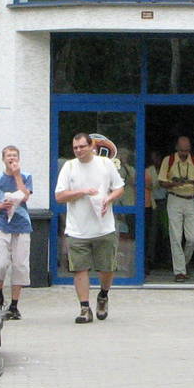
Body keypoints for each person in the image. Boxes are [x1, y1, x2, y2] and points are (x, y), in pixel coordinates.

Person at [54, 131, 123, 323]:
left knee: (106, 268)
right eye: (75, 148)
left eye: (82, 147)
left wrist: (108, 199)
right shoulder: (69, 167)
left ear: (91, 145)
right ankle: (84, 308)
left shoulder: (105, 164)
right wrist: (82, 192)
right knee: (80, 270)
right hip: (77, 229)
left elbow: (119, 187)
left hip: (104, 227)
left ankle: (103, 295)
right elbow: (59, 196)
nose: (78, 151)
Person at [0, 145, 32, 320]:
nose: (11, 158)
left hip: (22, 226)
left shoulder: (26, 177)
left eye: (14, 155)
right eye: (8, 156)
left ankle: (14, 305)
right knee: (1, 264)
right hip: (3, 225)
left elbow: (25, 196)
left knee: (20, 266)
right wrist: (0, 206)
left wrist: (17, 175)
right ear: (3, 159)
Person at [157, 135, 194, 281]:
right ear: (177, 148)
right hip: (175, 199)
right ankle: (179, 271)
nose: (185, 153)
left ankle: (182, 264)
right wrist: (173, 184)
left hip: (190, 200)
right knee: (176, 236)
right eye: (182, 150)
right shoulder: (169, 160)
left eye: (187, 150)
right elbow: (161, 182)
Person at [144, 148, 167, 268]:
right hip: (152, 203)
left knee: (165, 231)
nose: (156, 160)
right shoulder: (148, 171)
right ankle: (150, 259)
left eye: (157, 157)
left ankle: (164, 258)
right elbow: (151, 185)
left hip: (164, 202)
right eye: (154, 158)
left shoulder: (166, 169)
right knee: (152, 232)